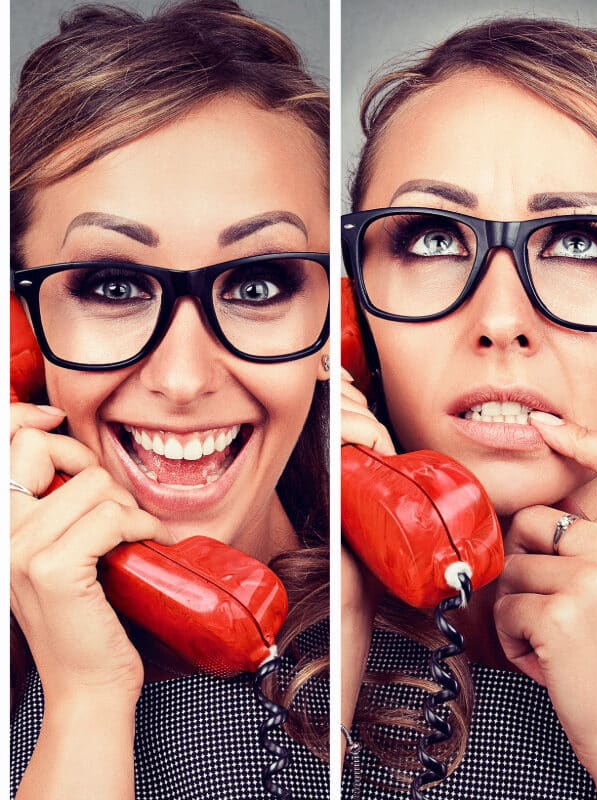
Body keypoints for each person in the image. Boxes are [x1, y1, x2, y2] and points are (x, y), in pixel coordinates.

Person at [9, 2, 331, 797]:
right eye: (112, 285)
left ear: (332, 325)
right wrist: (86, 700)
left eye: (259, 283)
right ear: (22, 327)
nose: (184, 380)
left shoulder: (464, 666)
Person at [337, 17, 597, 799]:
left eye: (582, 241)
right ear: (355, 313)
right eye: (433, 238)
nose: (500, 319)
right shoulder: (233, 662)